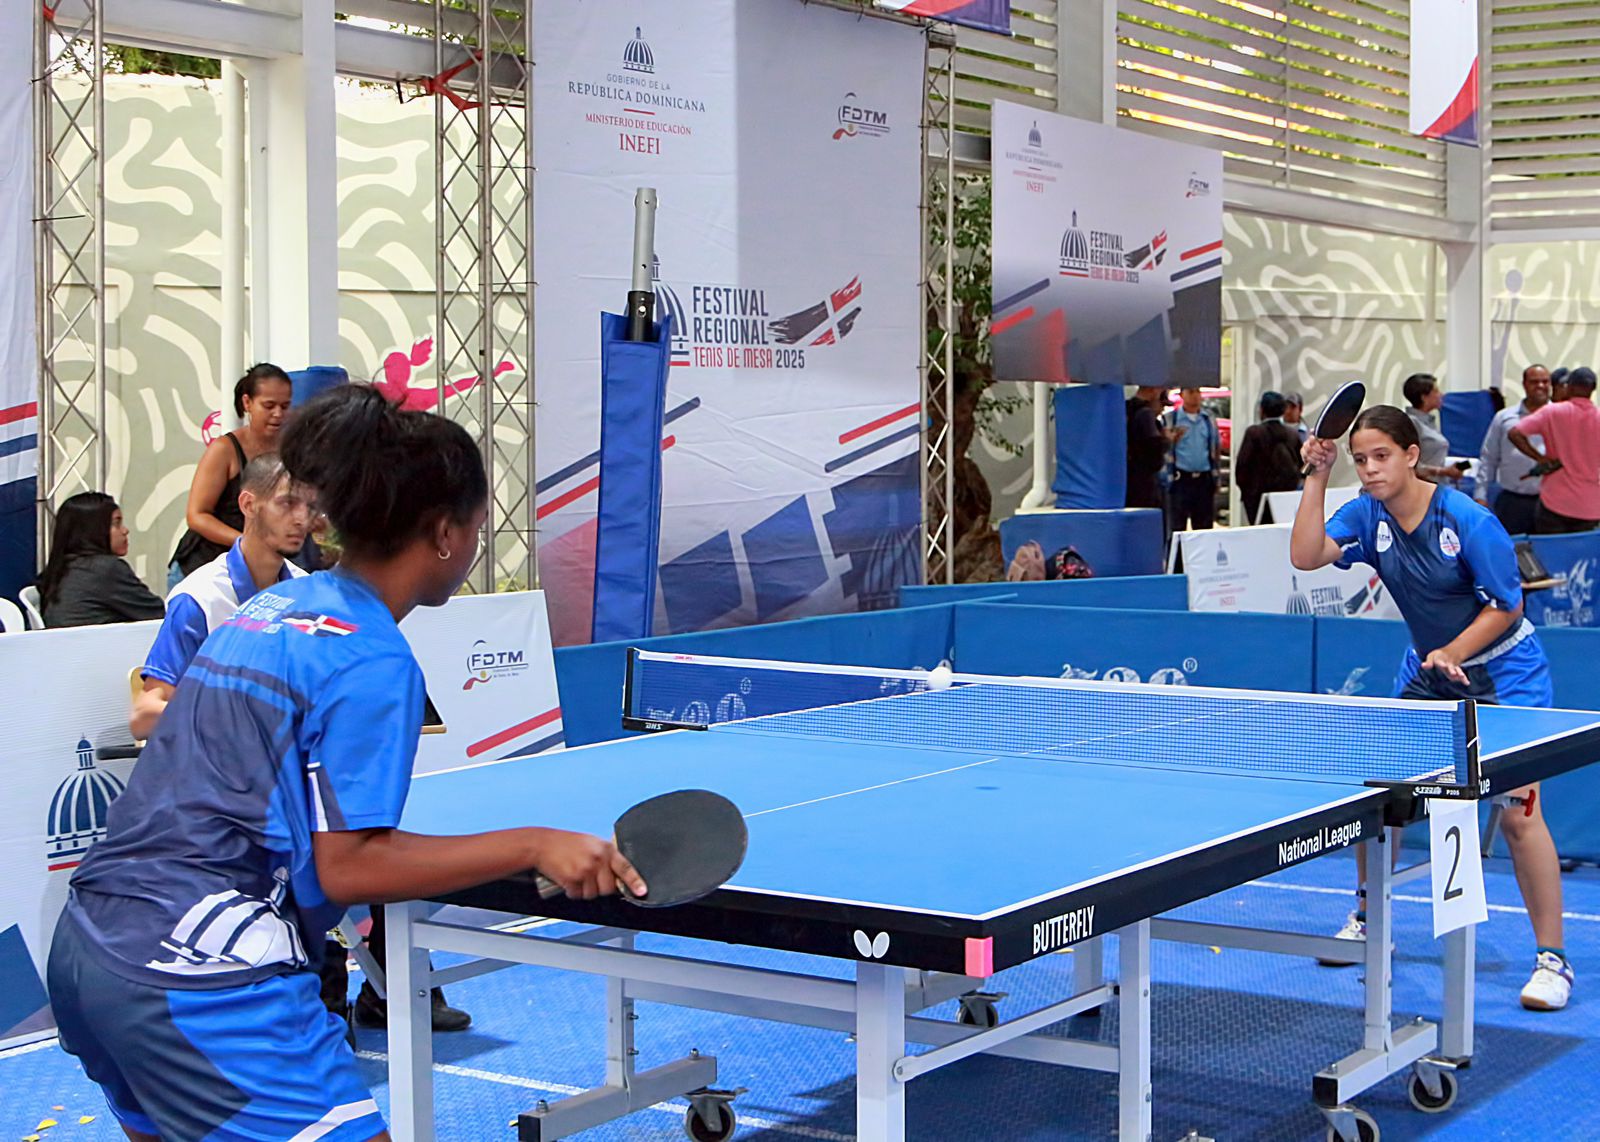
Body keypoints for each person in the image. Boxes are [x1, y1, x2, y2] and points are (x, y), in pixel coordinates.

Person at [47, 384, 645, 1142]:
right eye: (476, 522)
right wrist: (536, 845)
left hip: (90, 951)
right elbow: (348, 869)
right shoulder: (372, 658)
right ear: (443, 534)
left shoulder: (270, 611)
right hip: (201, 978)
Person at [1290, 405, 1572, 1011]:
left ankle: (1553, 960)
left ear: (1412, 456)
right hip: (1427, 672)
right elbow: (1306, 556)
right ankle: (1368, 921)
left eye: (1380, 457)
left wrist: (1453, 650)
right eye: (1360, 459)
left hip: (1504, 675)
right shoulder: (1366, 515)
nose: (1368, 470)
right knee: (1382, 802)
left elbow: (1506, 605)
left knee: (1521, 815)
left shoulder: (1468, 520)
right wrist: (1317, 475)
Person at [131, 454, 313, 740]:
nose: (302, 519)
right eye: (287, 503)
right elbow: (143, 717)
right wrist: (232, 710)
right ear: (248, 505)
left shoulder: (309, 592)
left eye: (309, 507)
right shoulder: (199, 599)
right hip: (220, 771)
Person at [168, 363, 294, 589]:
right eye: (269, 406)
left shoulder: (292, 451)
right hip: (203, 567)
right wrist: (245, 542)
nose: (278, 414)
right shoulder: (224, 450)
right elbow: (197, 516)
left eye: (285, 406)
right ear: (247, 403)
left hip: (256, 571)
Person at [36, 492, 165, 628]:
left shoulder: (62, 568)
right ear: (92, 529)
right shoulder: (105, 569)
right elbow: (159, 614)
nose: (125, 530)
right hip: (99, 646)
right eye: (116, 523)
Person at [1508, 365, 1600, 534]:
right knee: (1583, 558)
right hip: (1591, 506)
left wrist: (1540, 458)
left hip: (1555, 502)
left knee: (1550, 555)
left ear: (1569, 387)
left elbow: (1515, 433)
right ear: (1593, 389)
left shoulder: (1552, 412)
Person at [1476, 364, 1553, 536]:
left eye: (1545, 381)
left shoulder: (1562, 416)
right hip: (1513, 502)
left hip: (1551, 503)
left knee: (1549, 555)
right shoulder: (1504, 417)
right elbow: (1489, 458)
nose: (1540, 386)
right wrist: (1480, 494)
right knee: (1510, 553)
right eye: (1534, 382)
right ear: (1524, 384)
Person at [1234, 390, 1303, 524]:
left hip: (1256, 497)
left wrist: (1247, 491)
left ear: (1261, 410)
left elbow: (1242, 467)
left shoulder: (1254, 433)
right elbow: (1302, 466)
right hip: (1285, 497)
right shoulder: (1293, 435)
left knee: (1260, 536)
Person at [1164, 386, 1221, 531]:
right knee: (1177, 527)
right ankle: (1178, 554)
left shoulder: (1208, 419)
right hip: (1181, 479)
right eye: (1191, 392)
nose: (1195, 396)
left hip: (1204, 479)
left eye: (1198, 392)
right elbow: (1164, 449)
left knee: (1204, 527)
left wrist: (1216, 477)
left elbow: (1215, 448)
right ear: (1182, 395)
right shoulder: (1172, 419)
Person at [1400, 373, 1460, 484]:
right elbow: (1408, 462)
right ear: (1424, 397)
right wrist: (1444, 471)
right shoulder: (1411, 423)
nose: (1441, 395)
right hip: (1422, 488)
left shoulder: (1430, 422)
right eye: (1436, 391)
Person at [1125, 384, 1170, 511]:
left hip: (1126, 478)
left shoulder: (1124, 410)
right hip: (1144, 482)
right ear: (1154, 391)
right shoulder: (1146, 414)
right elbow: (1154, 449)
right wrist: (1166, 440)